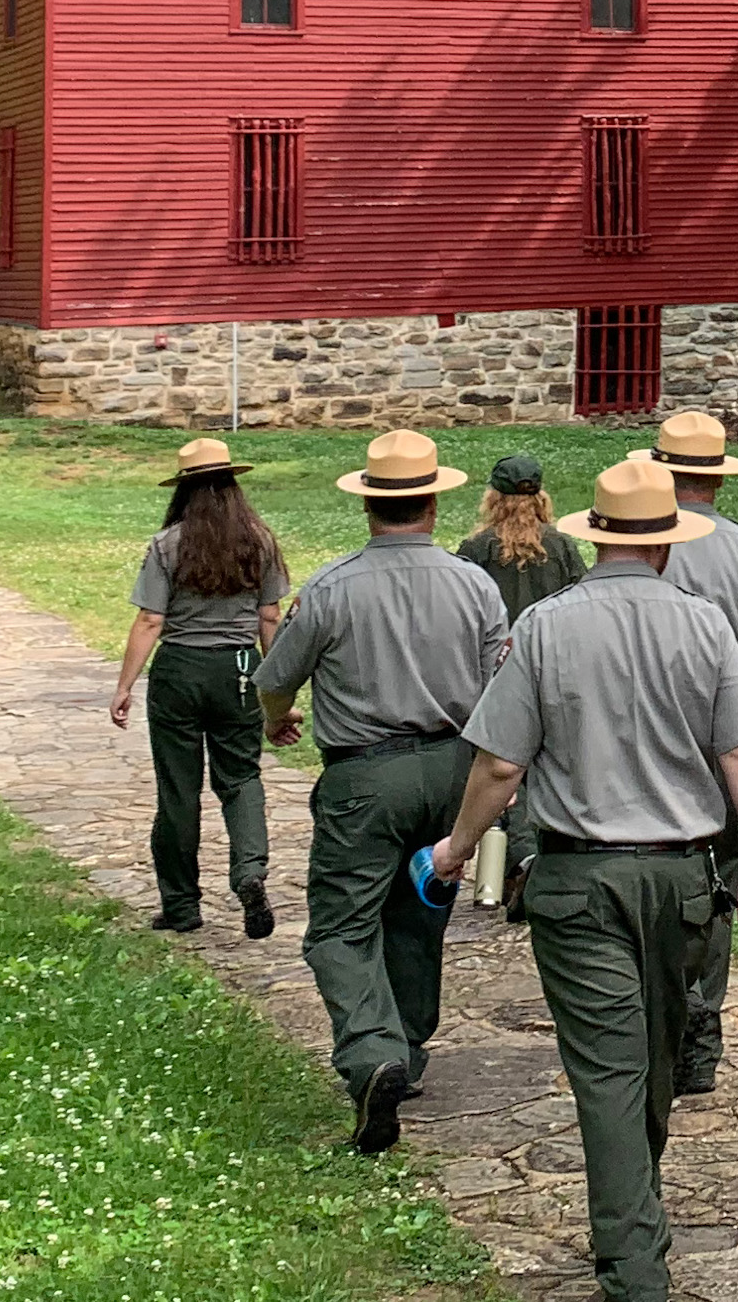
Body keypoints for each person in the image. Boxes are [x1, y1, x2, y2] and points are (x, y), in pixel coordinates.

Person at [428, 458, 738, 1302]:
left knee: (617, 1070)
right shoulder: (705, 627)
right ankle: (635, 1254)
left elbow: (500, 764)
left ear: (596, 539)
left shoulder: (548, 627)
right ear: (666, 543)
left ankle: (630, 1230)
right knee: (648, 1060)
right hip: (681, 877)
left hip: (580, 879)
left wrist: (457, 847)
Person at [250, 427, 506, 1152]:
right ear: (431, 503)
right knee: (422, 907)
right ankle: (411, 1045)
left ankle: (370, 1050)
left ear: (370, 507)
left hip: (365, 773)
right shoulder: (474, 582)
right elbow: (504, 683)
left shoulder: (332, 587)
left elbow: (274, 679)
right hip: (455, 769)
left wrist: (279, 722)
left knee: (342, 922)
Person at [632, 410, 738, 1092]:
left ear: (662, 470)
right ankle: (700, 1016)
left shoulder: (635, 544)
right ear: (719, 479)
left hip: (645, 734)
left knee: (647, 868)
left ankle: (655, 1016)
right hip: (727, 738)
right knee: (723, 879)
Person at [107, 437, 292, 939]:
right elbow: (270, 616)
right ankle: (250, 872)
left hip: (180, 669)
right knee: (241, 779)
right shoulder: (260, 540)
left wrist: (125, 685)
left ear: (184, 490)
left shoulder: (169, 543)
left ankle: (182, 905)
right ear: (234, 483)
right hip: (237, 669)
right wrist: (276, 691)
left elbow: (150, 619)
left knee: (179, 790)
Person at [457, 452, 587, 623]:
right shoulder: (562, 545)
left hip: (495, 646)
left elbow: (459, 606)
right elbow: (582, 601)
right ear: (540, 497)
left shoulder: (476, 547)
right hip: (549, 644)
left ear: (493, 498)